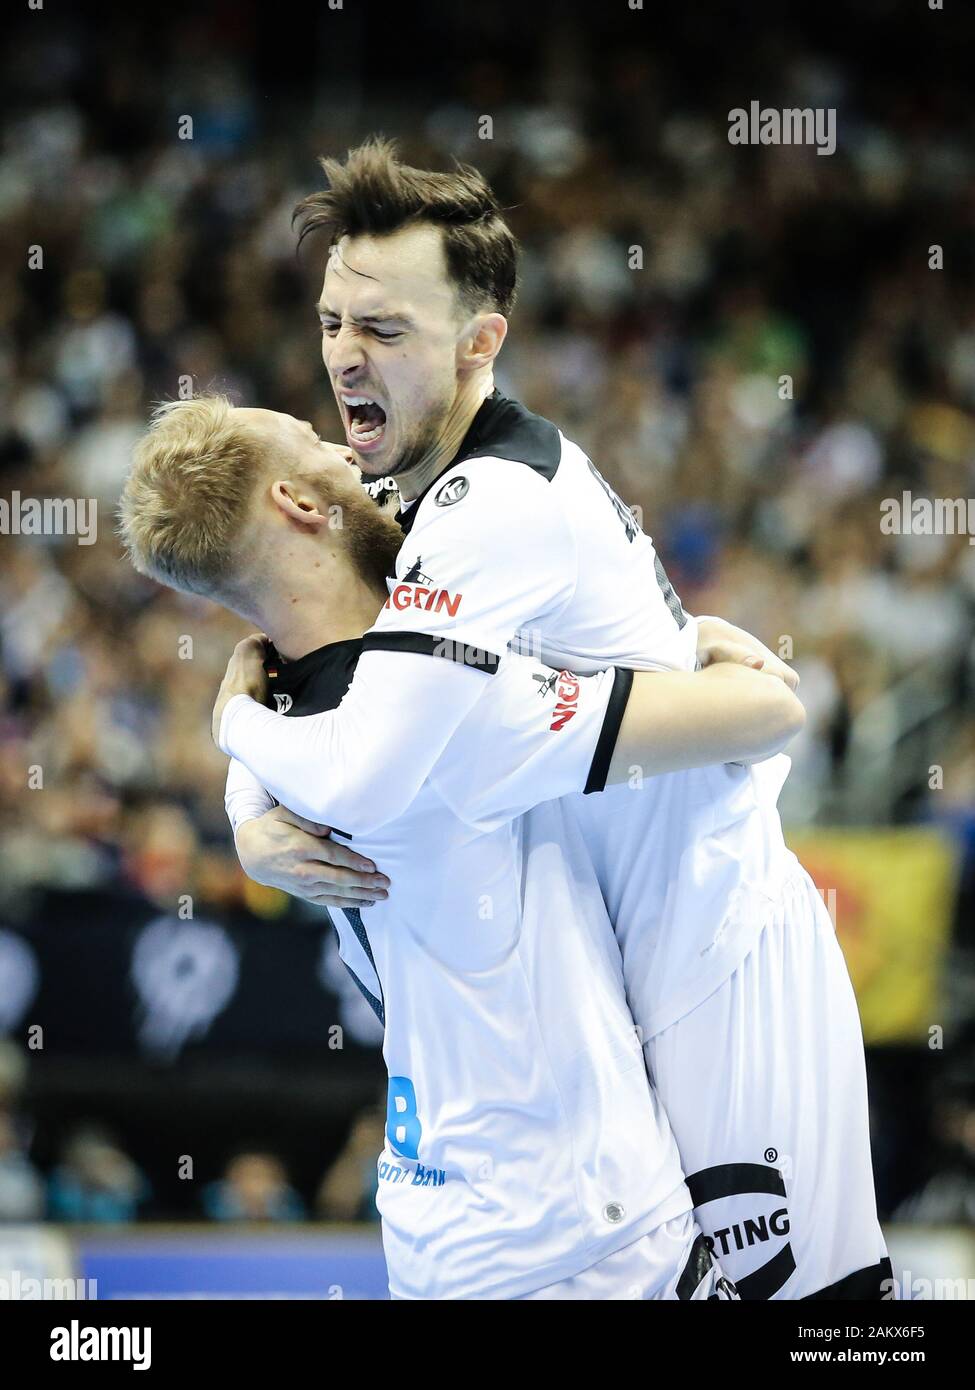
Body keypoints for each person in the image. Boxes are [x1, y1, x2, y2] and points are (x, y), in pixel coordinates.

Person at [212, 140, 890, 1298]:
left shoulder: (490, 506)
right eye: (333, 321)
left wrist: (238, 744)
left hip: (713, 941)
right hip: (625, 970)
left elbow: (360, 757)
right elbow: (294, 637)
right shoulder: (396, 492)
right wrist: (246, 799)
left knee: (826, 1314)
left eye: (384, 331)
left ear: (482, 342)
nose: (342, 357)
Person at [119, 395, 802, 1299]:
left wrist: (236, 748)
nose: (350, 451)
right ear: (300, 504)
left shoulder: (280, 709)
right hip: (573, 1236)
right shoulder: (442, 719)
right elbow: (767, 712)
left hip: (437, 1226)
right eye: (318, 442)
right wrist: (682, 649)